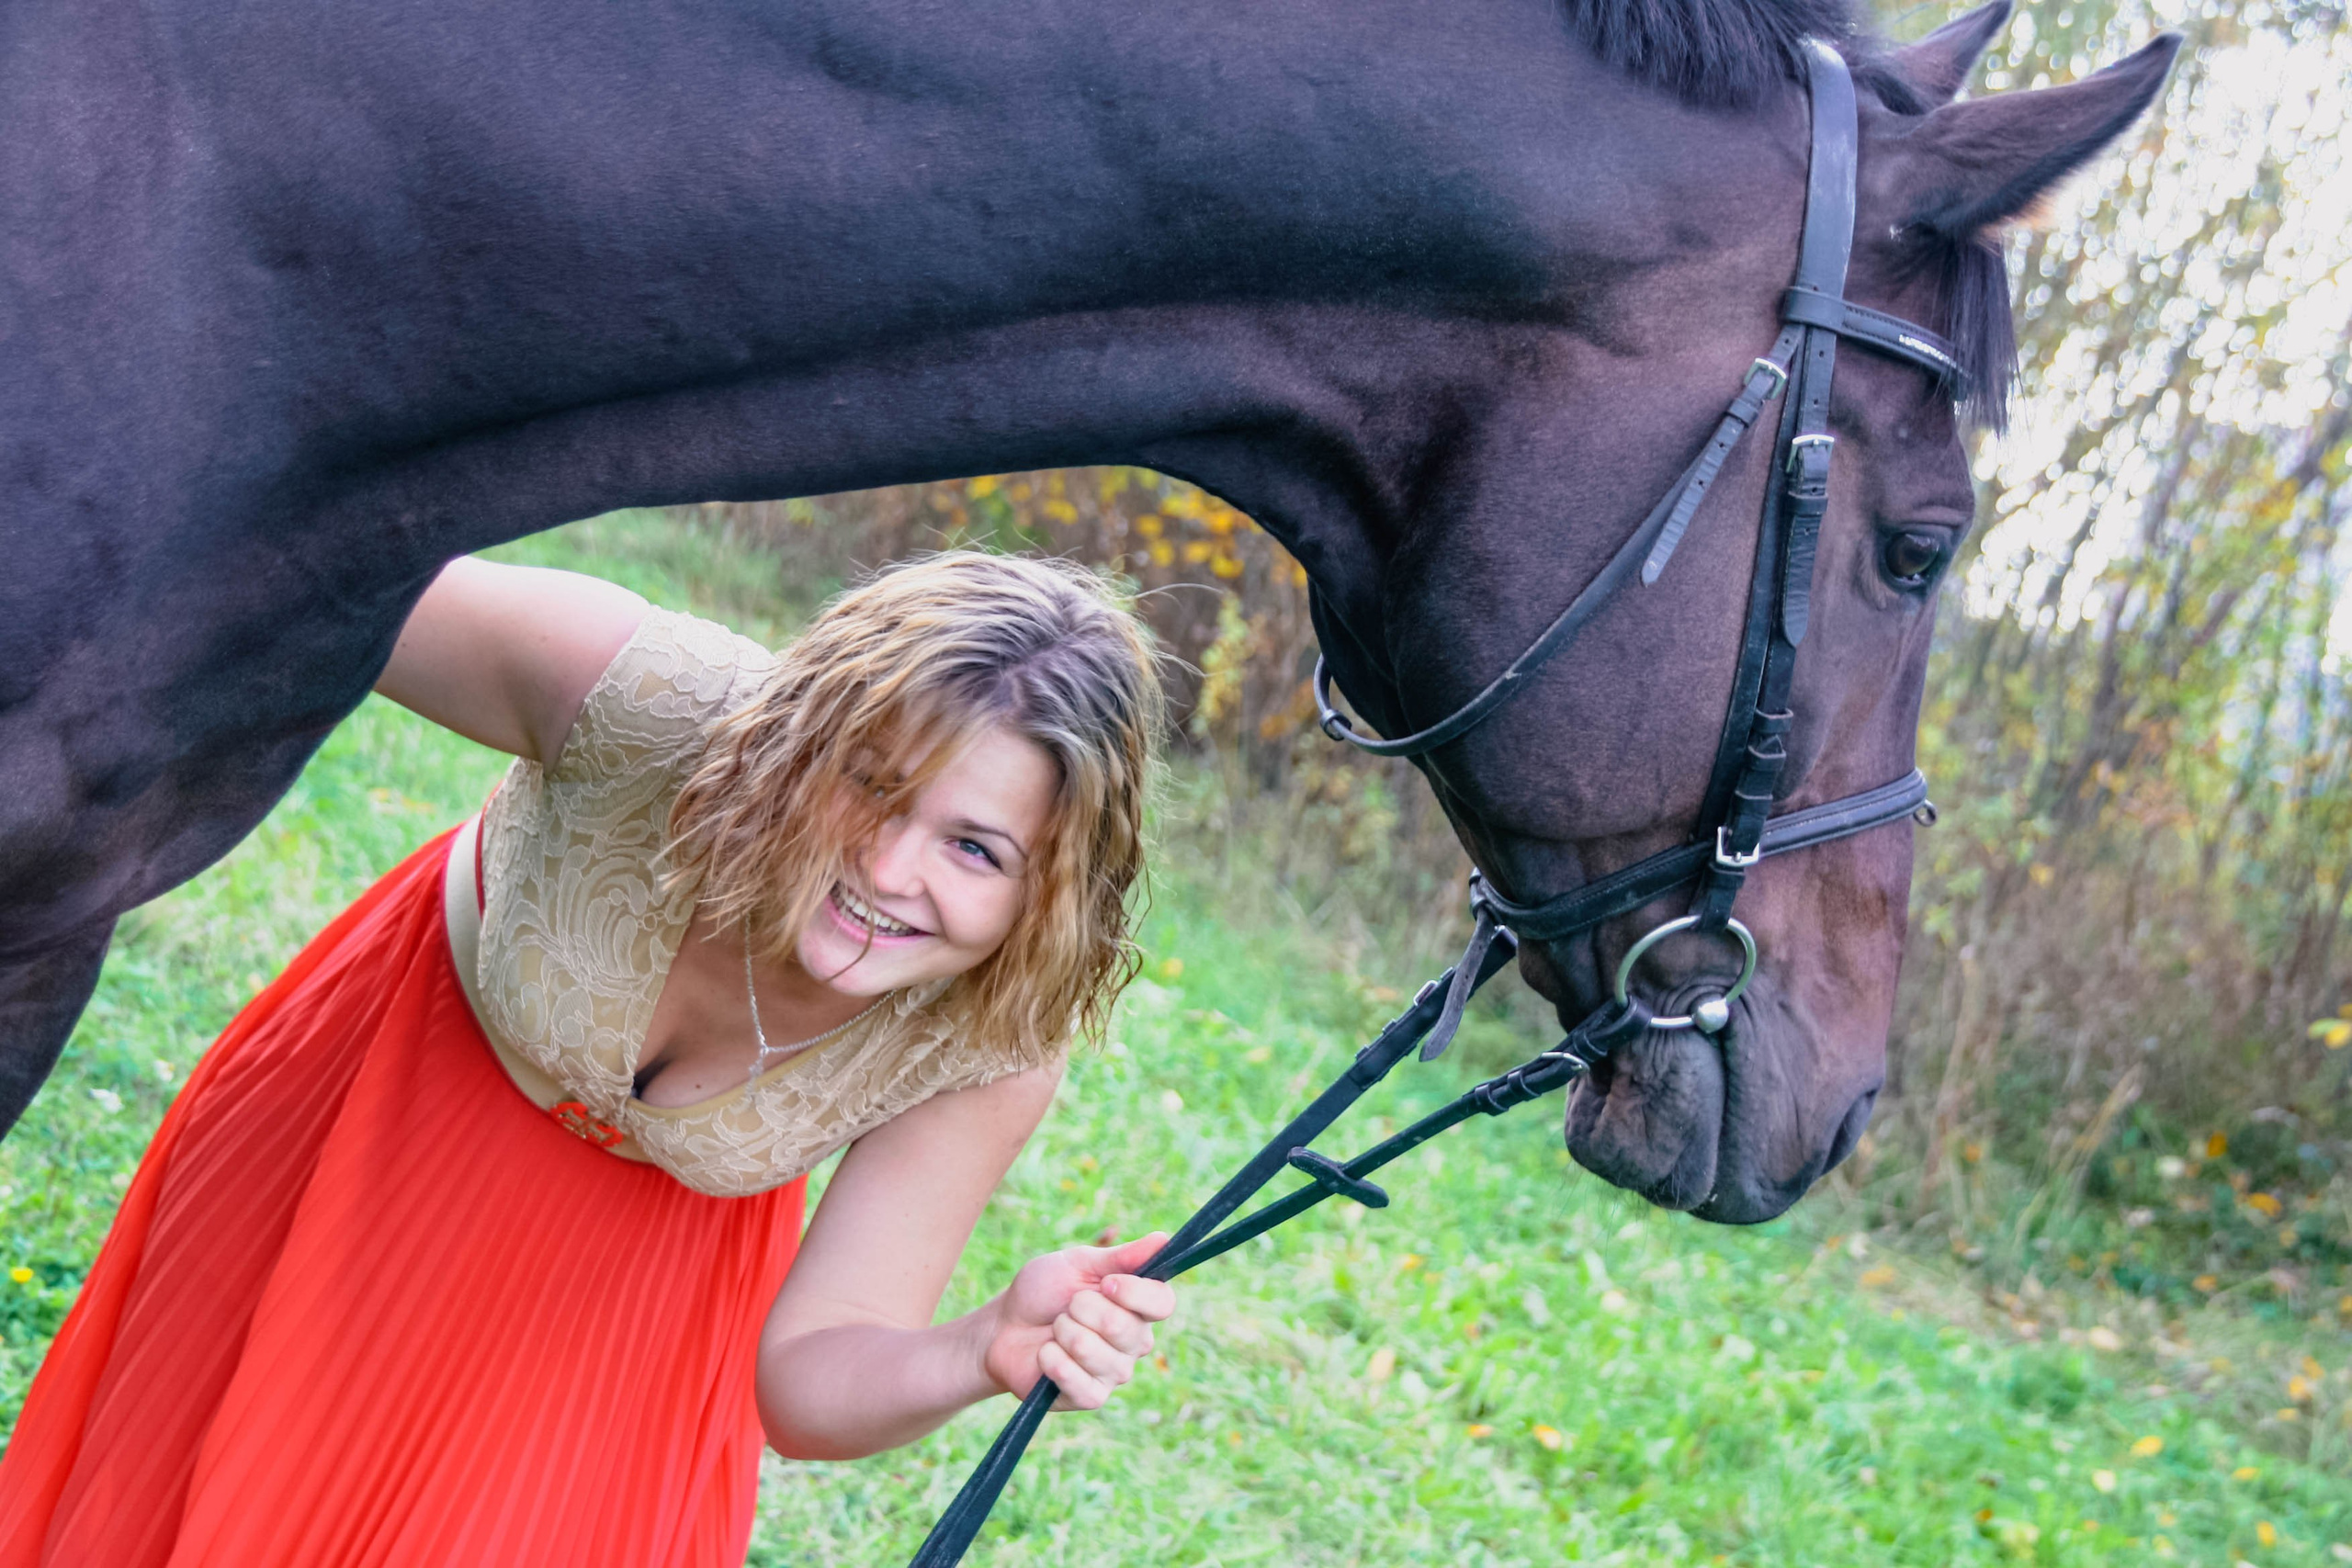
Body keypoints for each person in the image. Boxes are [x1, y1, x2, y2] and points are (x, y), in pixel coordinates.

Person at [0, 550, 1175, 1566]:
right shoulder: (643, 699)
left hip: (618, 1340)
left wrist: (979, 1348)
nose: (885, 868)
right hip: (354, 1141)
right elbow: (299, 575)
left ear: (1050, 891)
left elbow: (808, 1380)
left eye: (973, 847)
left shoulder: (992, 1036)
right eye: (870, 785)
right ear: (803, 735)